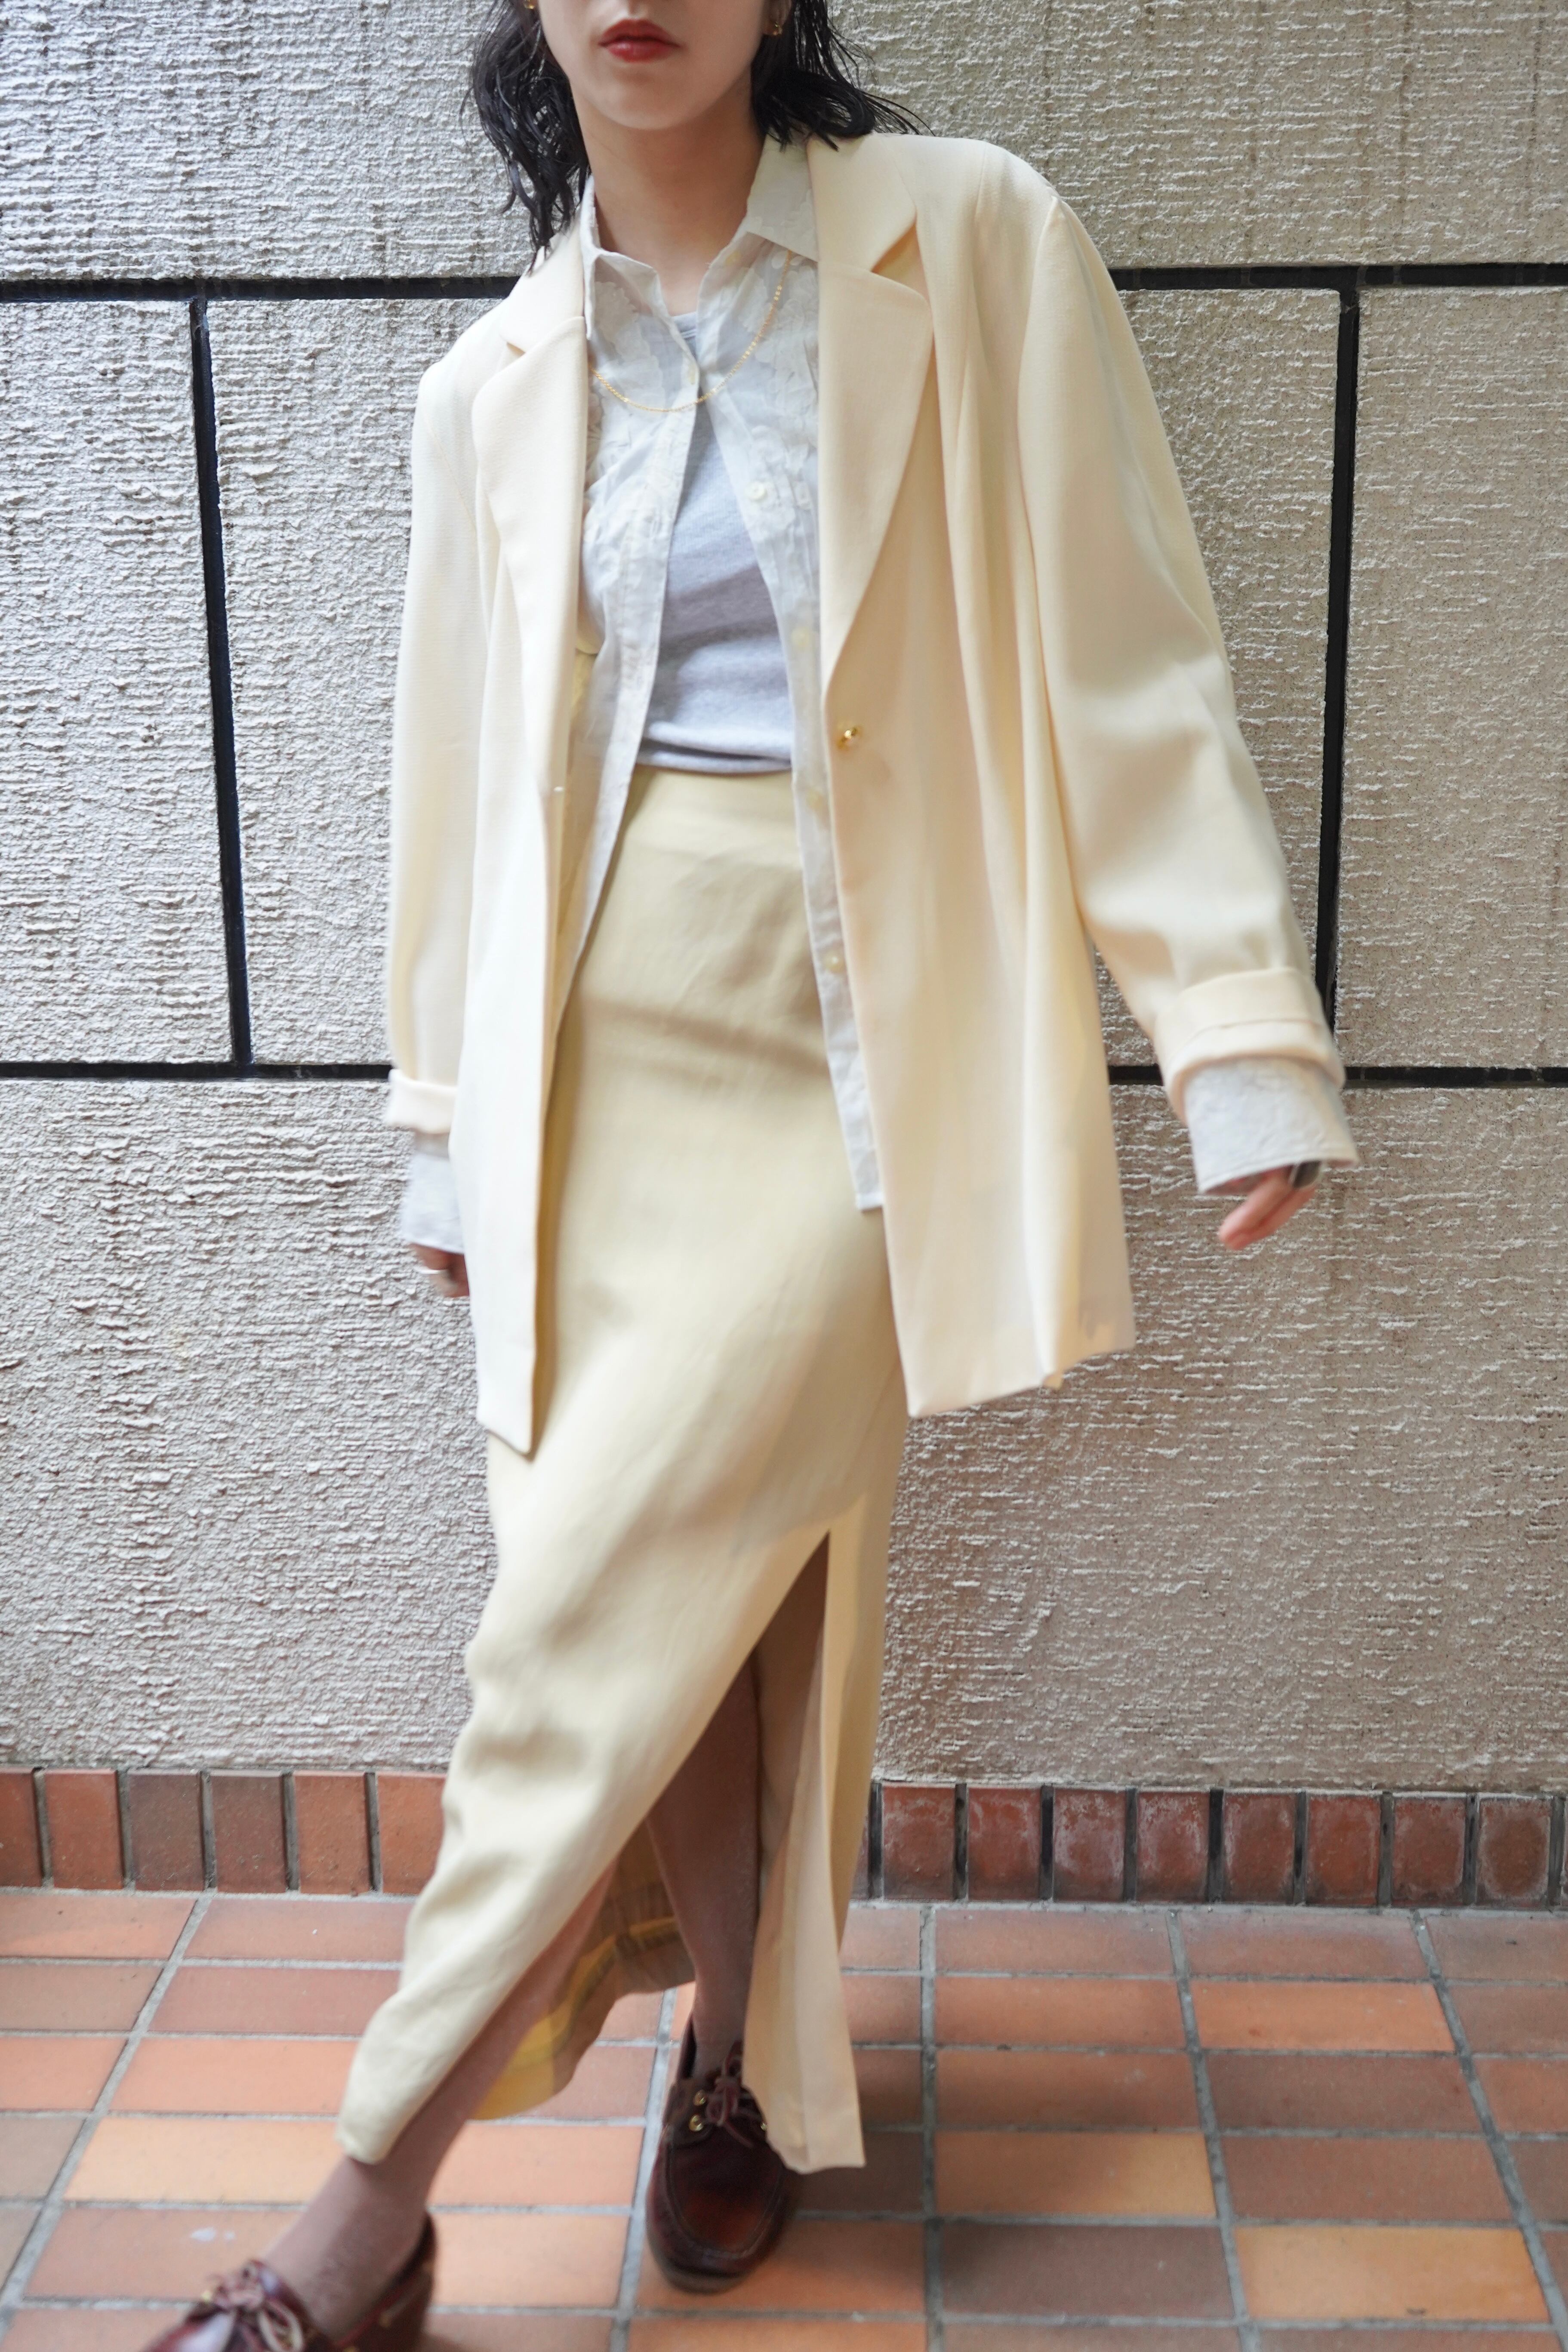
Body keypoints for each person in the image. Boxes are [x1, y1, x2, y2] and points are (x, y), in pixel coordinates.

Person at [148, 0, 1356, 2344]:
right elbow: (453, 790)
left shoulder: (969, 243)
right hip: (591, 1068)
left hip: (853, 1057)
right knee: (691, 1619)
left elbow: (1127, 661)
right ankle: (729, 2058)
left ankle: (351, 2231)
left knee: (579, 1629)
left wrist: (1230, 1032)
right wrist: (444, 1135)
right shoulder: (496, 381)